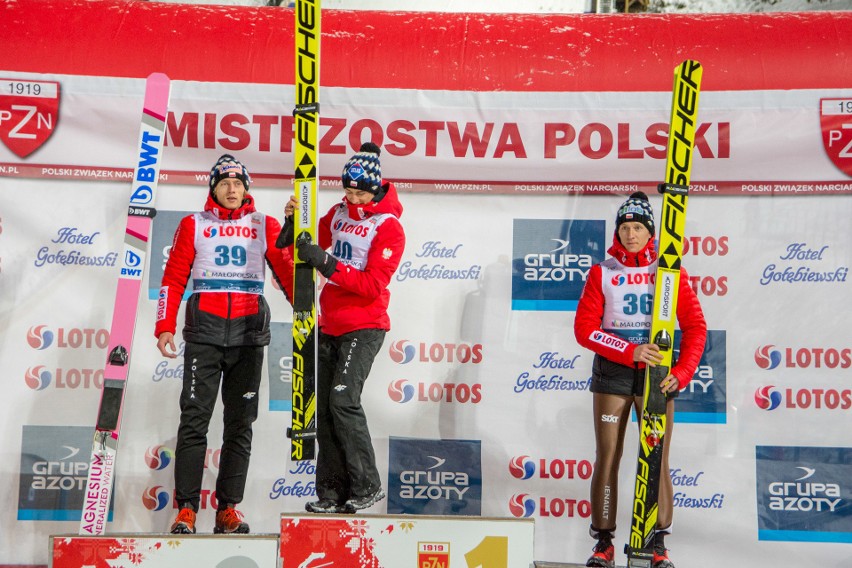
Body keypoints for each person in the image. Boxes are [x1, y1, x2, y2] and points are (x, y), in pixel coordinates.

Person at [155, 154, 292, 534]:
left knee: (240, 424)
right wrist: (164, 326)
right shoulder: (193, 224)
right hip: (205, 335)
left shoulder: (265, 224)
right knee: (194, 421)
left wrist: (297, 230)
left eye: (238, 182)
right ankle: (186, 509)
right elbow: (172, 278)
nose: (232, 189)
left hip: (249, 334)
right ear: (213, 188)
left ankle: (227, 509)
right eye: (224, 183)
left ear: (247, 188)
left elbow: (290, 278)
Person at [573, 191, 707, 568]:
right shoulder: (603, 270)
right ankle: (603, 544)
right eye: (624, 227)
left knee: (656, 458)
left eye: (638, 227)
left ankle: (658, 544)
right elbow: (584, 329)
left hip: (658, 377)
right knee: (608, 457)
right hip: (613, 373)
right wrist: (628, 350)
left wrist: (681, 373)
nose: (631, 234)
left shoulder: (670, 272)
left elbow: (696, 328)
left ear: (651, 231)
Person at [278, 142, 405, 514]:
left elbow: (371, 285)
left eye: (360, 192)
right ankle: (331, 494)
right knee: (327, 409)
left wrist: (327, 262)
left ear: (376, 188)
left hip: (365, 325)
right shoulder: (337, 213)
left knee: (342, 400)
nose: (352, 198)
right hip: (329, 322)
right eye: (347, 190)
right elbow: (303, 244)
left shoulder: (389, 227)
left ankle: (368, 484)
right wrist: (292, 222)